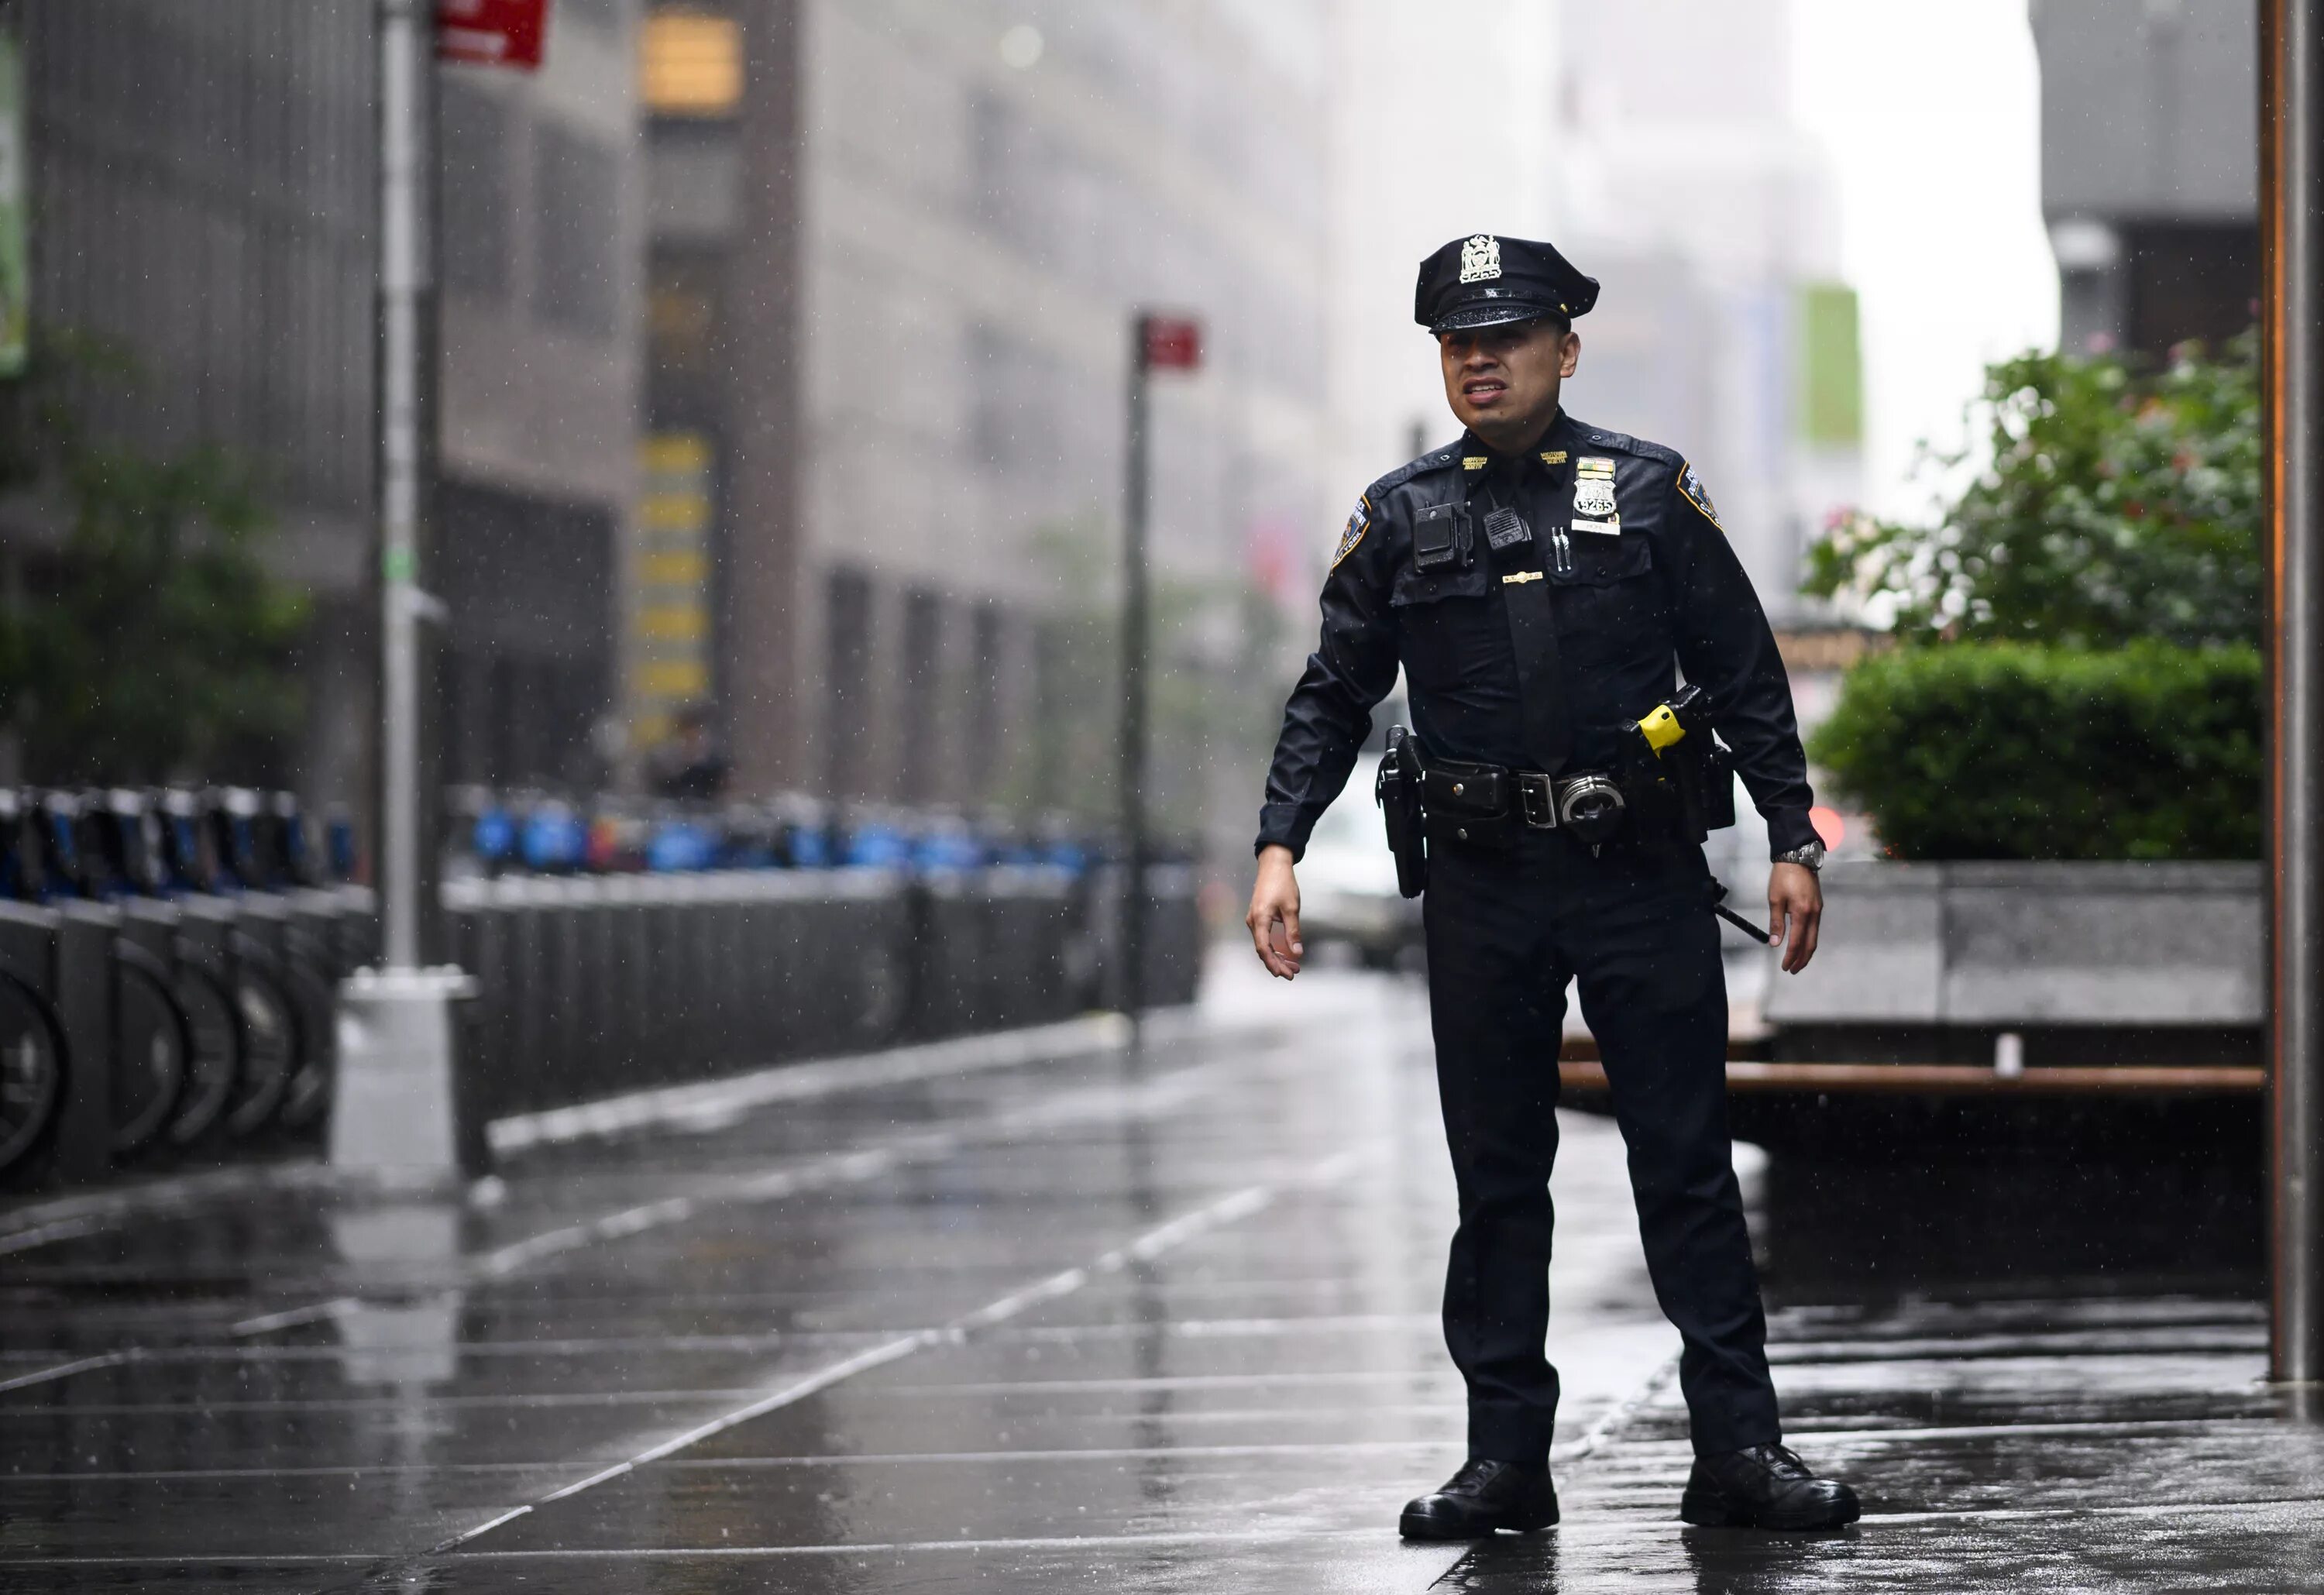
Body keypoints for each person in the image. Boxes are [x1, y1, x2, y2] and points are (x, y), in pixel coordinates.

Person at [1246, 234, 1858, 1537]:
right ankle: (1506, 1464)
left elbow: (1743, 668)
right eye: (1459, 343)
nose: (1480, 360)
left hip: (1638, 873)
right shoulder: (1401, 514)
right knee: (1497, 1178)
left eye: (1506, 338)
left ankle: (1741, 1455)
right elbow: (1333, 691)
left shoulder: (1646, 492)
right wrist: (1281, 842)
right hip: (1483, 885)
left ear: (1564, 350)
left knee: (1686, 1169)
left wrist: (1793, 838)